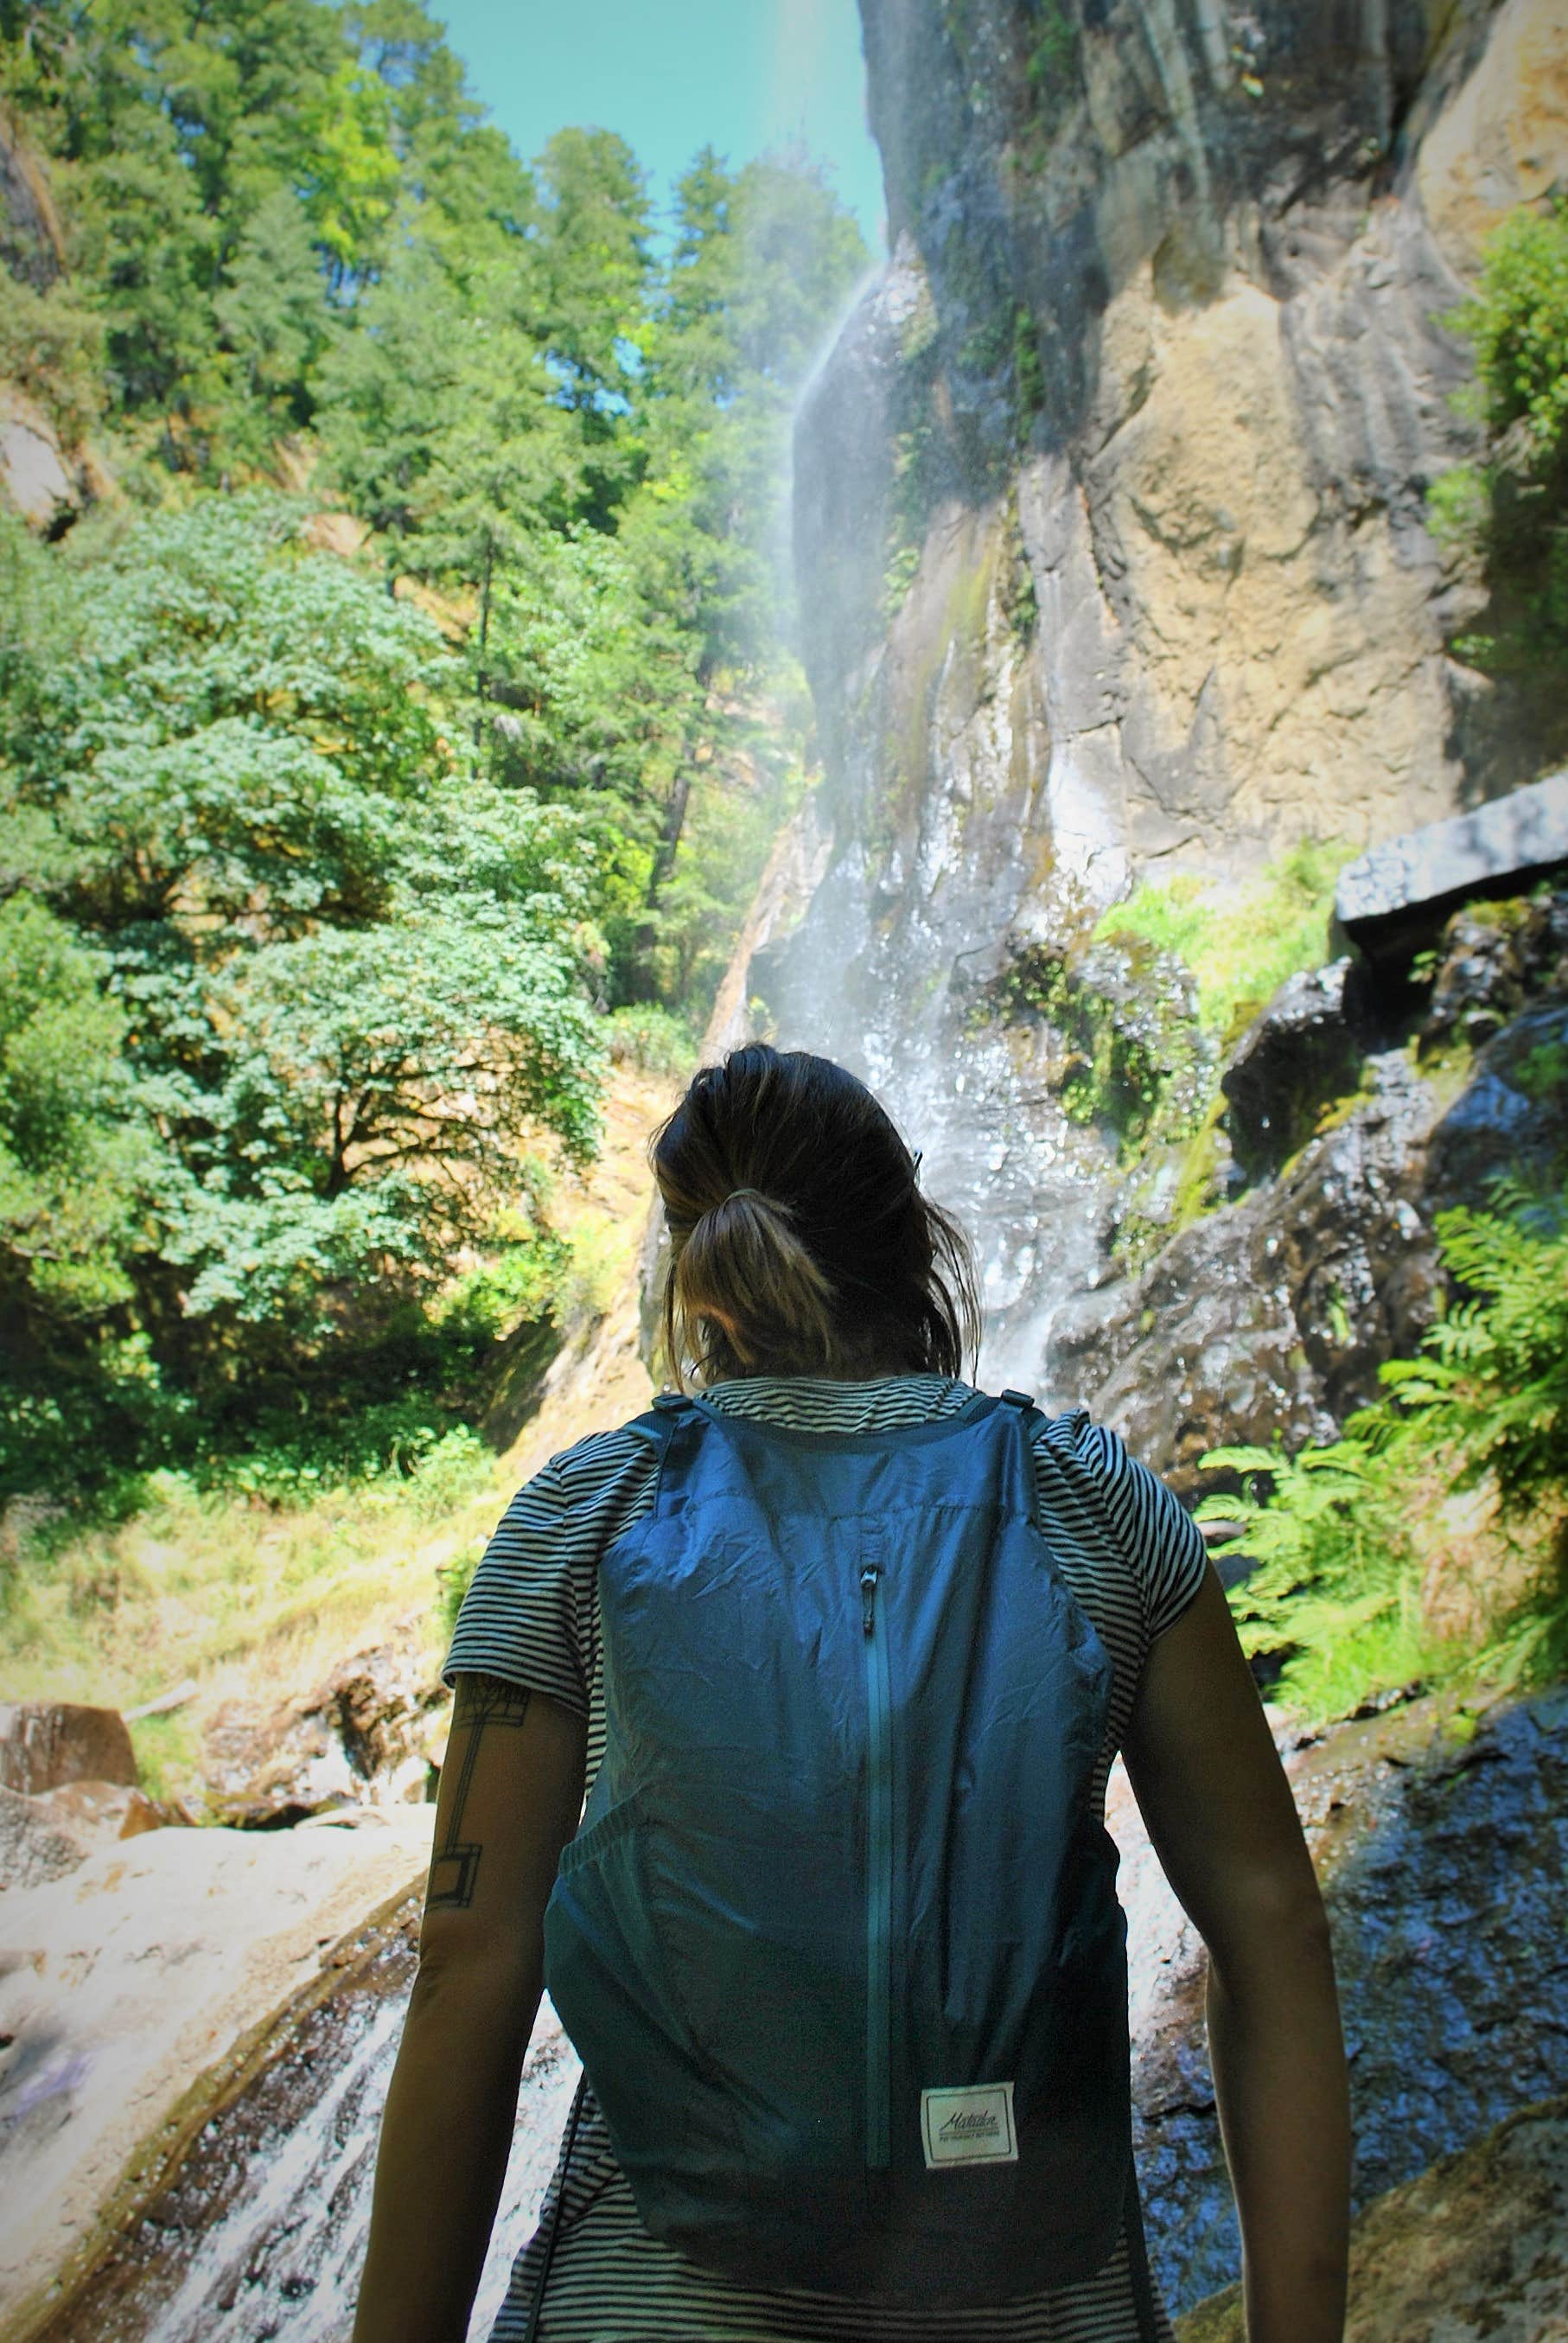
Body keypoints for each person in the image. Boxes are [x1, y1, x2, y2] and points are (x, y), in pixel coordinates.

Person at [353, 1044, 1349, 2343]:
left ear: (691, 1281)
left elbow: (466, 1970)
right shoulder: (1099, 1509)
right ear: (917, 1243)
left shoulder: (578, 1518)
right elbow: (1272, 1930)